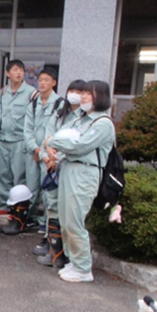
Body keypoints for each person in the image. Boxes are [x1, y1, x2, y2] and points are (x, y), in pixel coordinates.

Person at [45, 80, 115, 283]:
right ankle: (74, 261)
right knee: (65, 219)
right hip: (68, 169)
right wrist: (54, 144)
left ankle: (83, 267)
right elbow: (60, 136)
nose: (83, 97)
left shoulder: (102, 123)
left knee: (75, 220)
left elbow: (79, 145)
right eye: (82, 93)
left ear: (100, 97)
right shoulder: (81, 120)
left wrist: (53, 142)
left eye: (88, 94)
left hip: (85, 173)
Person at [34, 79, 86, 268]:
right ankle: (52, 247)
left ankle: (66, 253)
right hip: (50, 166)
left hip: (67, 167)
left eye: (79, 91)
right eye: (71, 90)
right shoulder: (59, 113)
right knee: (51, 206)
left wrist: (57, 158)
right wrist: (47, 157)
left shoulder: (84, 117)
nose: (74, 94)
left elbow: (77, 143)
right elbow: (47, 139)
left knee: (66, 211)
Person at [0, 59, 38, 216]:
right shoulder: (2, 93)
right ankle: (3, 205)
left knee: (20, 176)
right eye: (16, 70)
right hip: (3, 140)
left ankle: (19, 208)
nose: (19, 73)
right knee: (1, 174)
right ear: (8, 73)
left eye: (21, 70)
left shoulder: (31, 93)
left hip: (20, 141)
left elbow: (34, 121)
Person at [23, 67, 61, 231]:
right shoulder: (33, 104)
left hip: (49, 156)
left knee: (48, 191)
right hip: (34, 153)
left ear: (54, 82)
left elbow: (58, 133)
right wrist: (36, 150)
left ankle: (47, 222)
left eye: (47, 80)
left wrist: (46, 155)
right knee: (31, 187)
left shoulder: (60, 104)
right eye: (40, 80)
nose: (43, 83)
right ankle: (30, 218)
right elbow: (27, 131)